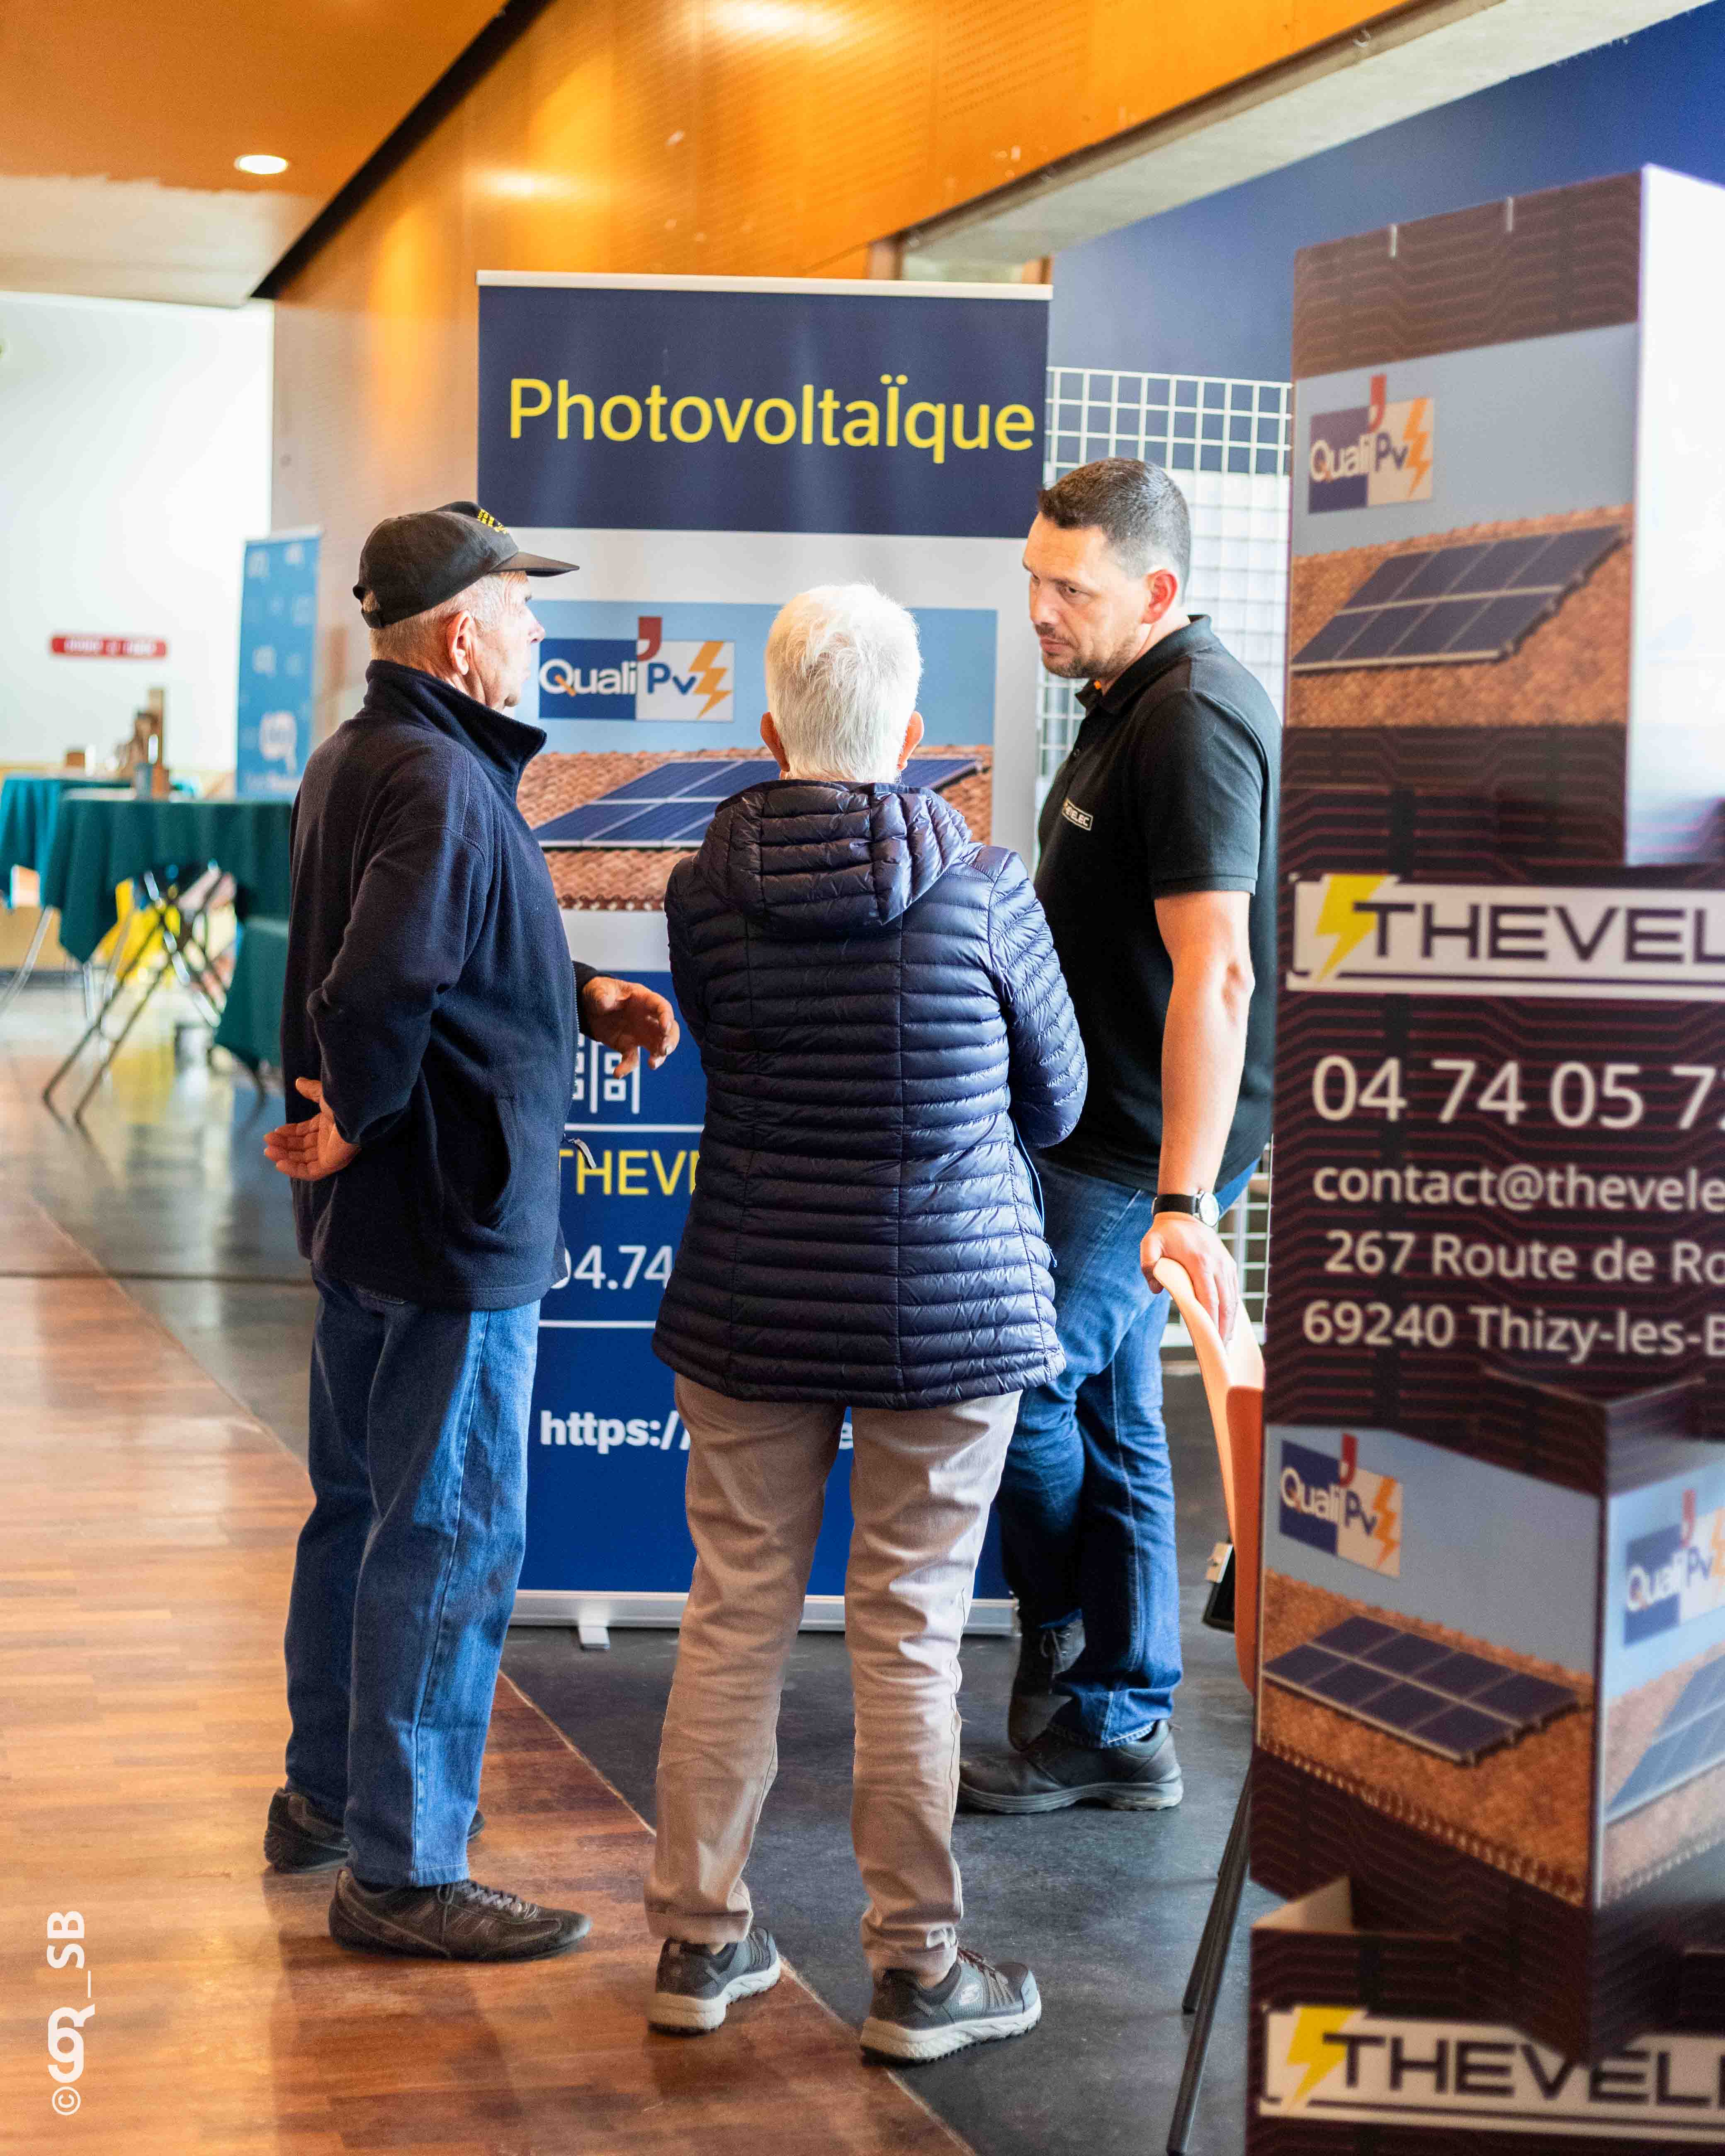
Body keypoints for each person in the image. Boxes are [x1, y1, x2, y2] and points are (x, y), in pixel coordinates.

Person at [641, 583, 1086, 2061]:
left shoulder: (701, 890)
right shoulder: (988, 883)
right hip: (948, 1314)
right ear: (911, 734)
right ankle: (917, 1972)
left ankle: (700, 1947)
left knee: (734, 1615)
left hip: (751, 1297)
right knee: (910, 1632)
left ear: (768, 733)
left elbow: (730, 1056)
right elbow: (1062, 1098)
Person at [261, 500, 679, 1959]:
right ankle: (407, 1867)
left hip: (380, 1219)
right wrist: (359, 1112)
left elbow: (443, 955)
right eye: (523, 609)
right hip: (450, 1217)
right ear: (462, 636)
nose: (538, 633)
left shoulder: (367, 757)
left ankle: (329, 1797)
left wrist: (580, 1000)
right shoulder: (441, 779)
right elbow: (376, 986)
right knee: (445, 1535)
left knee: (360, 1512)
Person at [959, 458, 1278, 1815]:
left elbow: (1219, 974)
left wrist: (1185, 1200)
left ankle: (1091, 1663)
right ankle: (1117, 1702)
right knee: (1106, 1405)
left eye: (1067, 586)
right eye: (1032, 575)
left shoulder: (1193, 720)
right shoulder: (1123, 697)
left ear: (1155, 589)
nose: (1037, 605)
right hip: (1092, 1128)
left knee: (1026, 1390)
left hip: (1139, 1148)